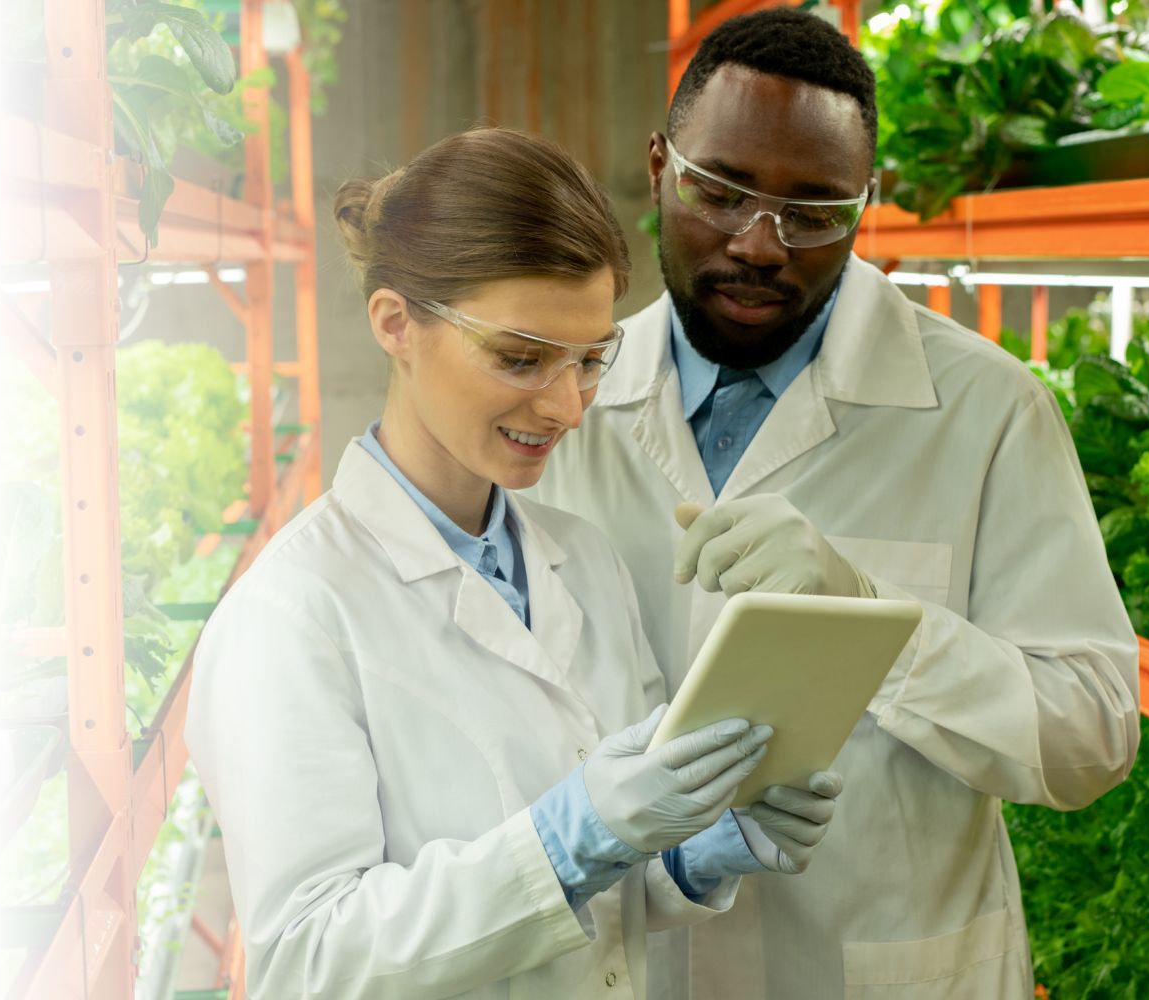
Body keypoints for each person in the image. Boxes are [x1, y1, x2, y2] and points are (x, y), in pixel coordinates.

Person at [533, 10, 1140, 999]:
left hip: (889, 967)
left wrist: (868, 619)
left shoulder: (983, 411)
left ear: (867, 205)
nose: (761, 244)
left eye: (814, 212)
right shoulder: (570, 409)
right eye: (719, 191)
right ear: (658, 168)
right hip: (634, 964)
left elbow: (1089, 739)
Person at [185, 127, 845, 1000]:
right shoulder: (294, 615)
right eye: (521, 358)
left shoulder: (581, 559)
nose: (567, 406)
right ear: (396, 324)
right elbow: (309, 958)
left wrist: (692, 851)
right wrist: (572, 832)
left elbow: (602, 891)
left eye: (590, 361)